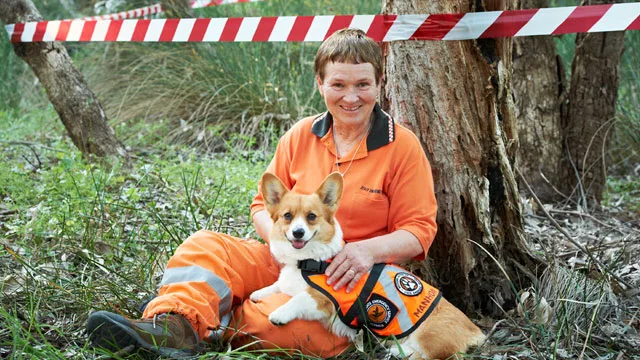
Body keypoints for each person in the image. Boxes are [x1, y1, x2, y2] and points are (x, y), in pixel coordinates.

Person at [86, 28, 438, 358]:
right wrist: (281, 242)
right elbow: (261, 205)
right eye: (338, 84)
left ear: (379, 84)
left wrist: (367, 251)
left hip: (343, 281)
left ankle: (200, 319)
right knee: (205, 247)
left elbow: (420, 230)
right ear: (320, 84)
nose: (350, 96)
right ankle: (171, 323)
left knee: (291, 329)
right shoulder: (301, 135)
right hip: (283, 261)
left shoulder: (402, 146)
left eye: (362, 84)